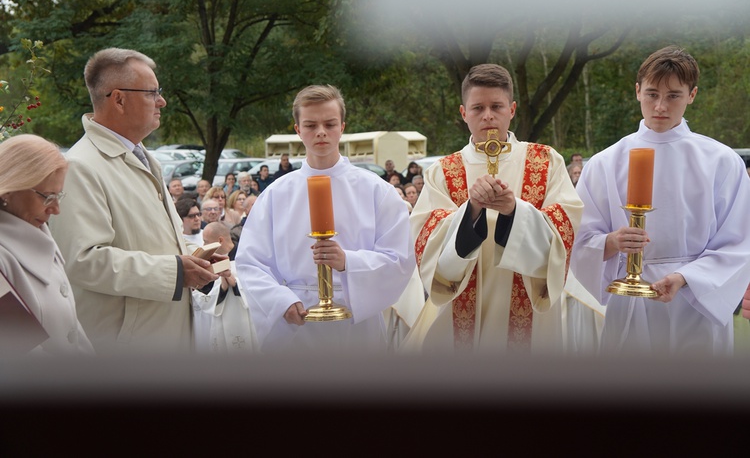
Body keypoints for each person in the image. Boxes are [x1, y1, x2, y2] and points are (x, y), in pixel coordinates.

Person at [571, 46, 750, 357]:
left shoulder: (721, 162)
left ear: (692, 95)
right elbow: (577, 238)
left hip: (695, 303)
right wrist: (612, 242)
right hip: (630, 303)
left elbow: (738, 243)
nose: (660, 107)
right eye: (652, 94)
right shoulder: (604, 164)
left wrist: (684, 278)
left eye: (673, 96)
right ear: (637, 91)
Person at [48, 47, 219, 355]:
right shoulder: (81, 167)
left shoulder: (145, 158)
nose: (162, 101)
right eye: (152, 92)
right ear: (119, 99)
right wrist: (177, 272)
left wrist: (197, 257)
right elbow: (83, 261)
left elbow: (157, 242)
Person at [402, 63, 582, 355]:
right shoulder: (443, 171)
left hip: (529, 320)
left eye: (496, 106)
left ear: (511, 109)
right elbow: (427, 243)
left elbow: (564, 230)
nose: (488, 115)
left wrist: (514, 212)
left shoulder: (546, 161)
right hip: (458, 318)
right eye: (477, 108)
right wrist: (471, 211)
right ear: (463, 113)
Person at [235, 84, 415, 354]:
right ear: (297, 129)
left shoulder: (376, 190)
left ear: (342, 126)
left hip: (357, 321)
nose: (321, 132)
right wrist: (280, 301)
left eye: (330, 123)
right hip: (296, 320)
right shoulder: (275, 194)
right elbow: (250, 262)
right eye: (310, 125)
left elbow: (400, 259)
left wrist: (348, 262)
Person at [0, 134, 95, 356]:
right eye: (47, 196)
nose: (56, 209)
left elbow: (72, 329)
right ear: (9, 189)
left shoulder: (40, 236)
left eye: (58, 196)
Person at [192, 222, 260, 355]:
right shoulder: (208, 262)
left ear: (220, 240)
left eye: (206, 242)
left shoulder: (245, 256)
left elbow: (258, 286)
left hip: (247, 320)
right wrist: (222, 288)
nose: (204, 247)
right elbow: (202, 296)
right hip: (220, 322)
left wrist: (235, 284)